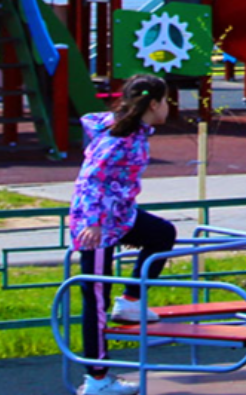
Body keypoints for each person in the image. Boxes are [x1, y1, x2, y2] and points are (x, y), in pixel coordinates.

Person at [68, 74, 178, 395]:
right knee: (96, 298)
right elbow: (91, 179)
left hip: (120, 216)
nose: (168, 107)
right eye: (166, 101)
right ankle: (97, 379)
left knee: (162, 234)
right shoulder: (121, 139)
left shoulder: (130, 130)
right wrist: (93, 222)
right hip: (98, 226)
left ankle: (131, 300)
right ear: (154, 104)